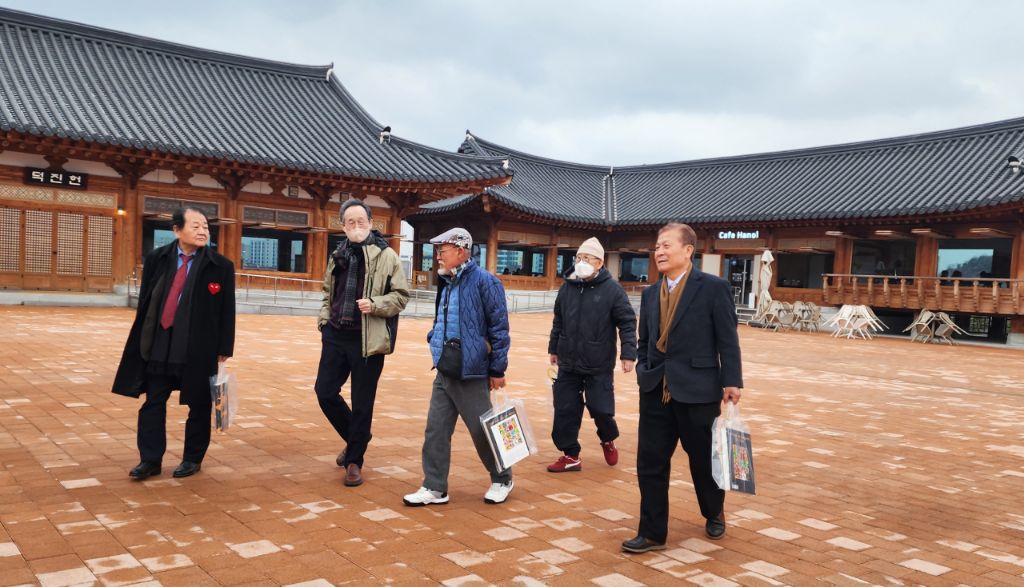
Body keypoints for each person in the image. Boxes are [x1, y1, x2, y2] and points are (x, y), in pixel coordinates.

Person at [622, 222, 743, 554]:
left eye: (666, 246)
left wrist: (732, 380)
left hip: (698, 390)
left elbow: (727, 339)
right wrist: (644, 371)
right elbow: (645, 340)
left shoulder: (713, 288)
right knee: (650, 462)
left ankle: (713, 511)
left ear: (688, 250)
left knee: (702, 460)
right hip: (655, 390)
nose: (659, 252)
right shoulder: (650, 294)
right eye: (657, 247)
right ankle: (651, 532)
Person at [112, 206, 235, 480]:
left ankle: (192, 458)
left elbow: (227, 310)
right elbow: (146, 301)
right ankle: (150, 460)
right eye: (195, 226)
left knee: (199, 405)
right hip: (161, 341)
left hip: (199, 346)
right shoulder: (157, 259)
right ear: (177, 230)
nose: (203, 231)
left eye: (206, 226)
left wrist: (225, 348)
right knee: (153, 401)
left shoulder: (221, 266)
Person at [403, 228, 514, 506]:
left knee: (482, 430)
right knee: (436, 430)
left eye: (442, 251)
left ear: (461, 251)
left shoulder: (485, 282)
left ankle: (502, 478)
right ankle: (435, 487)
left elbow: (500, 329)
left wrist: (497, 370)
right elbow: (442, 317)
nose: (438, 256)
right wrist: (434, 337)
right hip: (445, 367)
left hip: (471, 370)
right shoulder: (447, 280)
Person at [315, 199, 409, 487]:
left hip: (368, 338)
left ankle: (354, 460)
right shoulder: (337, 254)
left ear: (370, 223)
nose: (356, 226)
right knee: (325, 392)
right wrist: (323, 321)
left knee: (362, 402)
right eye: (350, 222)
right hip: (335, 334)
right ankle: (358, 437)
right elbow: (327, 292)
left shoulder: (387, 256)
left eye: (361, 221)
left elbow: (401, 296)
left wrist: (375, 304)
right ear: (343, 226)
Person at [546, 237, 636, 472]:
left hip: (598, 362)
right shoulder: (567, 287)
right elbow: (558, 320)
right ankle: (570, 455)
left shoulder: (613, 290)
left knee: (600, 409)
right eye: (578, 258)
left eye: (587, 258)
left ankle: (607, 438)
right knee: (565, 408)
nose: (581, 262)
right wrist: (554, 348)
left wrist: (628, 353)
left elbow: (627, 322)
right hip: (568, 361)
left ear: (600, 263)